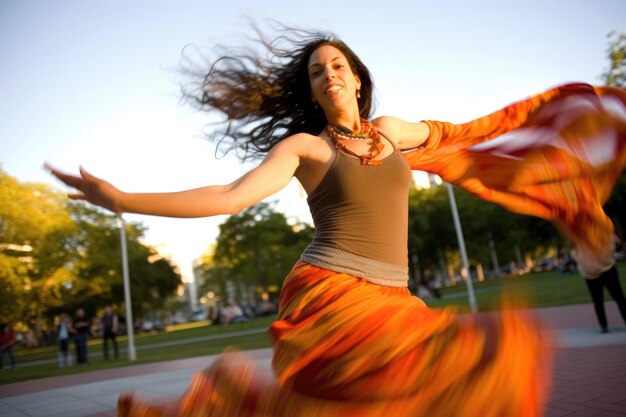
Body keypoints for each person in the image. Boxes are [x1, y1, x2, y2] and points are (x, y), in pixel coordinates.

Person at [47, 24, 626, 417]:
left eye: (338, 66)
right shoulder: (306, 147)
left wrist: (563, 178)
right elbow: (227, 196)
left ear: (355, 78)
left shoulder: (393, 132)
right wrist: (121, 199)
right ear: (315, 91)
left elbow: (468, 137)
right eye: (318, 72)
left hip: (393, 296)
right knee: (475, 356)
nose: (329, 75)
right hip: (332, 290)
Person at [572, 235, 626, 333]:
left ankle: (604, 326)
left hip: (606, 269)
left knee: (618, 297)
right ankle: (603, 325)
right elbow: (574, 250)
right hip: (591, 272)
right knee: (599, 300)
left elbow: (615, 243)